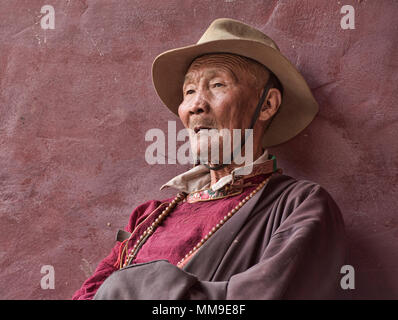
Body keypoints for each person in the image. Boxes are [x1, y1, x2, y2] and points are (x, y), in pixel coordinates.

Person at [72, 18, 345, 300]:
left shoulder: (299, 204)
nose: (195, 105)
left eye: (217, 85)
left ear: (266, 105)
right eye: (189, 91)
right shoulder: (148, 216)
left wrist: (129, 288)